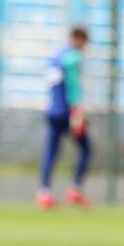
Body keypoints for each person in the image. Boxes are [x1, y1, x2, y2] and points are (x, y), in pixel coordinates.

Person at [38, 26, 93, 210]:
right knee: (86, 149)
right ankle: (75, 189)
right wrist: (77, 108)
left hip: (53, 110)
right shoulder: (73, 58)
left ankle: (44, 192)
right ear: (79, 39)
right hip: (68, 112)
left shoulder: (56, 56)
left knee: (51, 151)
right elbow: (72, 84)